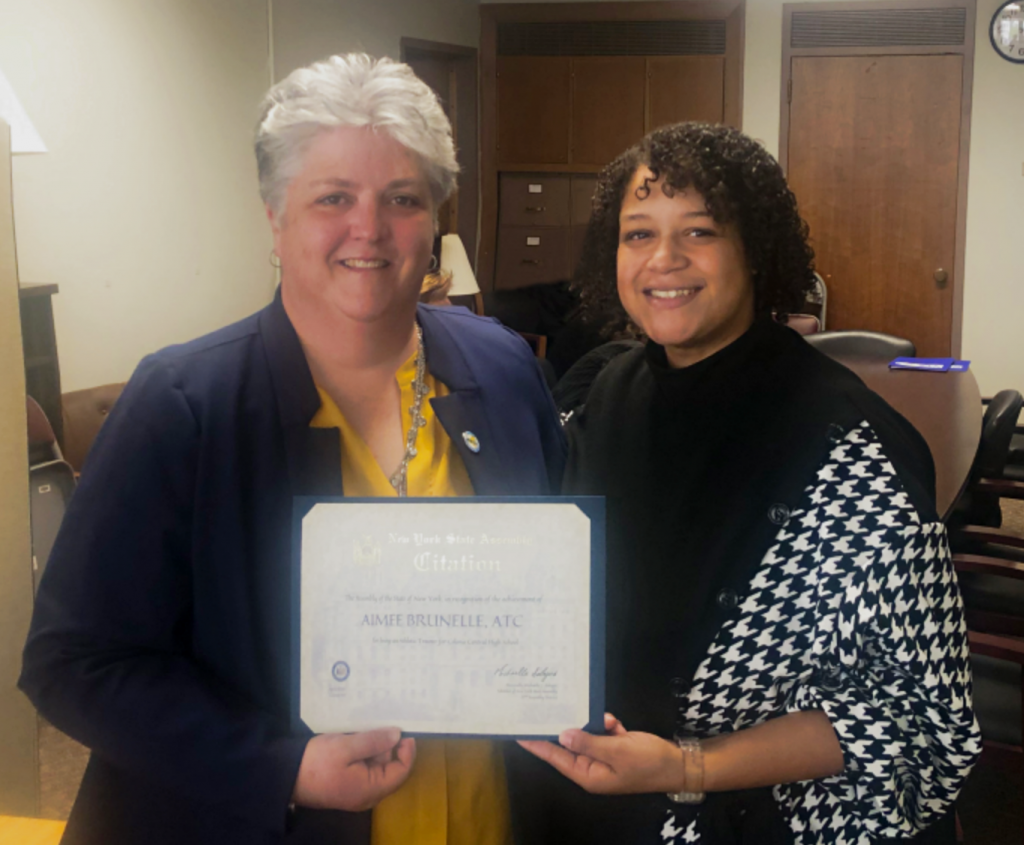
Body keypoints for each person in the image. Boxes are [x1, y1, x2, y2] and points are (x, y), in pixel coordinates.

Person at [20, 54, 564, 845]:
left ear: (437, 219)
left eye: (402, 198)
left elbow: (550, 592)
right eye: (332, 198)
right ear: (274, 218)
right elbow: (72, 663)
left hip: (484, 819)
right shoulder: (182, 404)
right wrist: (283, 766)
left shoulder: (506, 369)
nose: (369, 228)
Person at [514, 122, 981, 845]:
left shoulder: (850, 448)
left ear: (755, 251)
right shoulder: (600, 394)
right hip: (581, 803)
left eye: (698, 231)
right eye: (638, 234)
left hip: (746, 820)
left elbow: (910, 711)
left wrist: (685, 766)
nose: (663, 259)